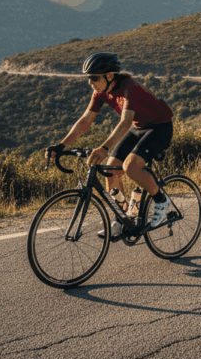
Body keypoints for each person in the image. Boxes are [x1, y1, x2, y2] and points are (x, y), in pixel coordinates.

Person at [46, 53, 173, 237]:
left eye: (94, 78)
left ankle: (161, 200)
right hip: (139, 127)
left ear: (110, 76)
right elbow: (85, 121)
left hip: (160, 127)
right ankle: (122, 219)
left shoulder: (131, 88)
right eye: (88, 78)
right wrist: (61, 145)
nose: (90, 82)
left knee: (130, 166)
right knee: (111, 169)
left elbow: (125, 122)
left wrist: (104, 148)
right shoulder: (100, 92)